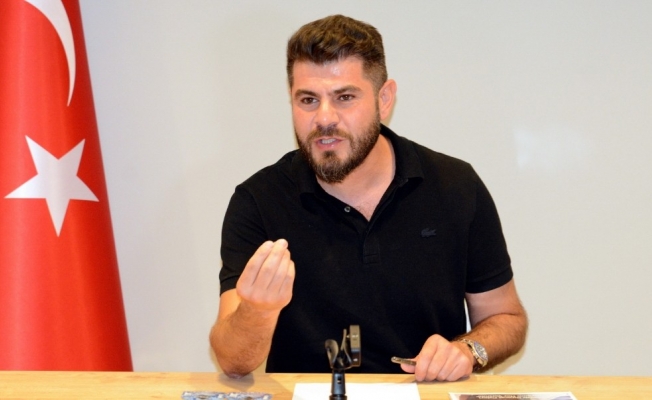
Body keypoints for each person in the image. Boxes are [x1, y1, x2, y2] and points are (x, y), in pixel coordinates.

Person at [210, 14, 527, 382]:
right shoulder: (258, 200)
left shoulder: (455, 186)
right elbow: (232, 361)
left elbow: (507, 318)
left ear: (384, 98)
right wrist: (258, 311)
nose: (324, 118)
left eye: (344, 97)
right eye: (308, 99)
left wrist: (467, 350)